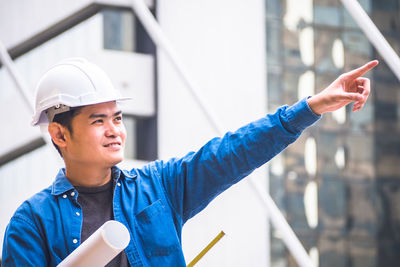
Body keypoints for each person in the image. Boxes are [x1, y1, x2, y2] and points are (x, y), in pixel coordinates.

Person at [1, 57, 378, 266]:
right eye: (98, 121)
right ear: (60, 134)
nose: (114, 130)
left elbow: (234, 151)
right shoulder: (31, 223)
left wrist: (310, 107)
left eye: (117, 118)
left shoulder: (159, 188)